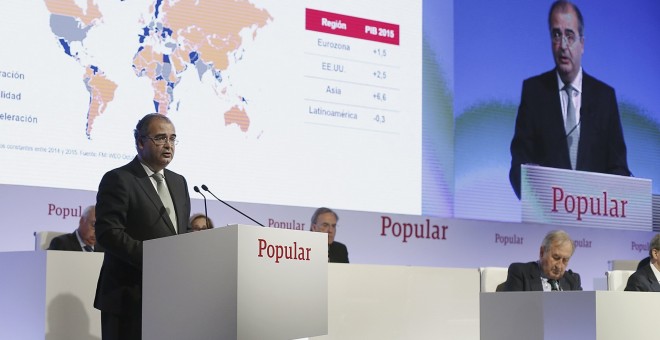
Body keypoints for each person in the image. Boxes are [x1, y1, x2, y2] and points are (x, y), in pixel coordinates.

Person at [508, 0, 631, 199]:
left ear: (582, 44)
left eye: (570, 35)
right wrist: (535, 195)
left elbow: (619, 168)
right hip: (546, 220)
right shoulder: (534, 92)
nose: (563, 46)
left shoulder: (604, 97)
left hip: (595, 221)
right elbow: (518, 165)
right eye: (557, 35)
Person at [93, 113, 191, 340]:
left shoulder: (179, 182)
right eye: (160, 138)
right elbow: (109, 233)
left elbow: (181, 232)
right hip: (129, 296)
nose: (168, 145)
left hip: (170, 296)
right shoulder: (120, 179)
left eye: (172, 138)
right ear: (140, 142)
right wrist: (156, 258)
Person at [502, 230, 582, 291]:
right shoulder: (520, 273)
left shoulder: (572, 280)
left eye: (565, 260)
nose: (559, 266)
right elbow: (515, 309)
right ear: (542, 252)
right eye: (556, 257)